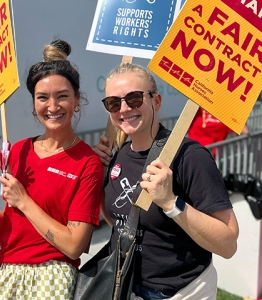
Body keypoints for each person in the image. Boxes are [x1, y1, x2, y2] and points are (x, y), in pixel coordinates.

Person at [0, 39, 103, 300]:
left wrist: (23, 200)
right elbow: (18, 219)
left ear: (77, 99)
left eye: (62, 96)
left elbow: (74, 245)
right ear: (34, 105)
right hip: (6, 272)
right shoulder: (18, 150)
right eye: (42, 98)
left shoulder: (87, 162)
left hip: (51, 277)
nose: (52, 107)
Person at [94, 63, 239, 299]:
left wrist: (171, 203)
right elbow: (118, 220)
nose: (124, 108)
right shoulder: (116, 153)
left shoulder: (189, 156)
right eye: (113, 102)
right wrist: (100, 177)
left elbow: (228, 245)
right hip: (125, 285)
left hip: (178, 291)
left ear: (156, 101)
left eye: (134, 98)